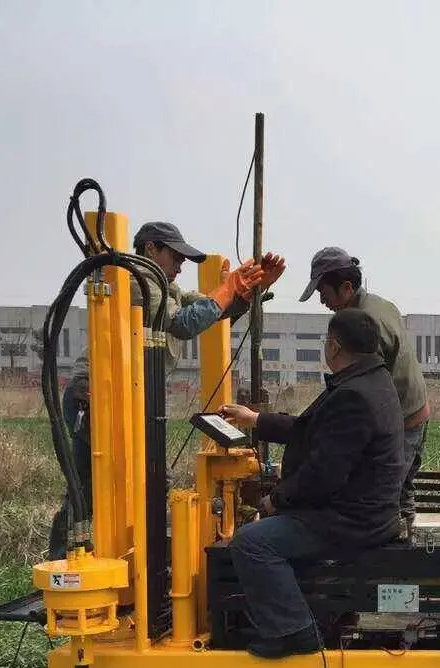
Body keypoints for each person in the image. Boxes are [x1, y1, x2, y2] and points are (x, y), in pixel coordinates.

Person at [48, 221, 284, 558]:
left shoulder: (166, 288)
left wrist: (245, 292)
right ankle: (71, 559)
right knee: (94, 483)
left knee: (141, 479)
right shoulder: (134, 280)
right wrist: (228, 289)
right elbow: (183, 323)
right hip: (97, 394)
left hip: (131, 395)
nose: (180, 265)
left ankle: (136, 557)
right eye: (175, 256)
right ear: (150, 249)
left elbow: (207, 311)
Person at [217, 307, 405, 658]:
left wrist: (277, 500)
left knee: (252, 543)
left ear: (333, 346)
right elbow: (315, 431)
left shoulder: (353, 395)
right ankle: (311, 613)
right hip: (362, 510)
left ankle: (292, 631)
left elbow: (324, 475)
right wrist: (255, 419)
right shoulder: (373, 382)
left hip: (350, 520)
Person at [299, 247, 429, 539]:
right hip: (413, 411)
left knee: (384, 502)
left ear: (346, 288)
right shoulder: (378, 305)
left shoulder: (366, 326)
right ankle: (405, 555)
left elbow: (362, 387)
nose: (323, 302)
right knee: (400, 497)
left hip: (403, 419)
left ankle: (391, 569)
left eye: (324, 293)